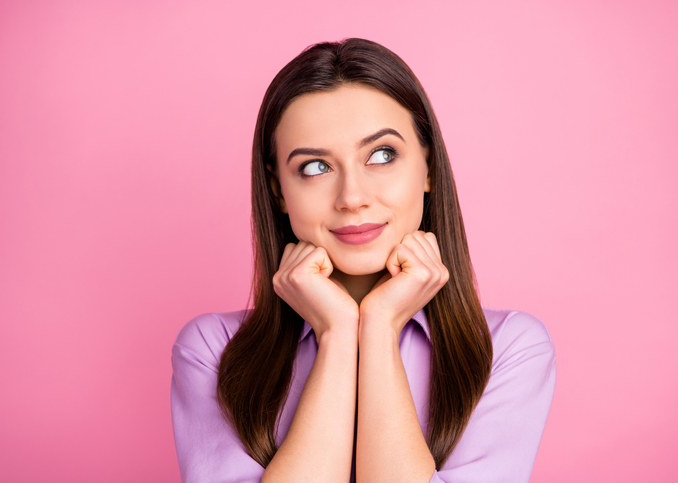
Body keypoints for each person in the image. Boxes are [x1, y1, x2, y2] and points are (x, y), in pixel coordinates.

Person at [171, 38, 556, 483]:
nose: (352, 198)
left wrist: (379, 325)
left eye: (381, 155)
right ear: (279, 190)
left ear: (428, 167)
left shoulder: (508, 349)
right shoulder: (214, 352)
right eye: (315, 167)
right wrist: (337, 332)